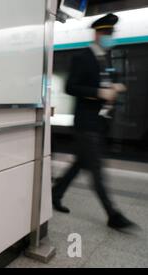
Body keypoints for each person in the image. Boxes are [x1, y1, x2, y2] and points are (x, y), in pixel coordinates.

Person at [52, 13, 136, 230]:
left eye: (111, 33)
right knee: (96, 169)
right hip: (86, 123)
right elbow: (70, 87)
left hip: (99, 123)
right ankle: (113, 215)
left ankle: (55, 193)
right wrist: (99, 92)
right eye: (107, 33)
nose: (110, 37)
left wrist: (116, 88)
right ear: (97, 34)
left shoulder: (106, 58)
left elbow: (109, 82)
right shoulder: (83, 57)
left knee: (81, 162)